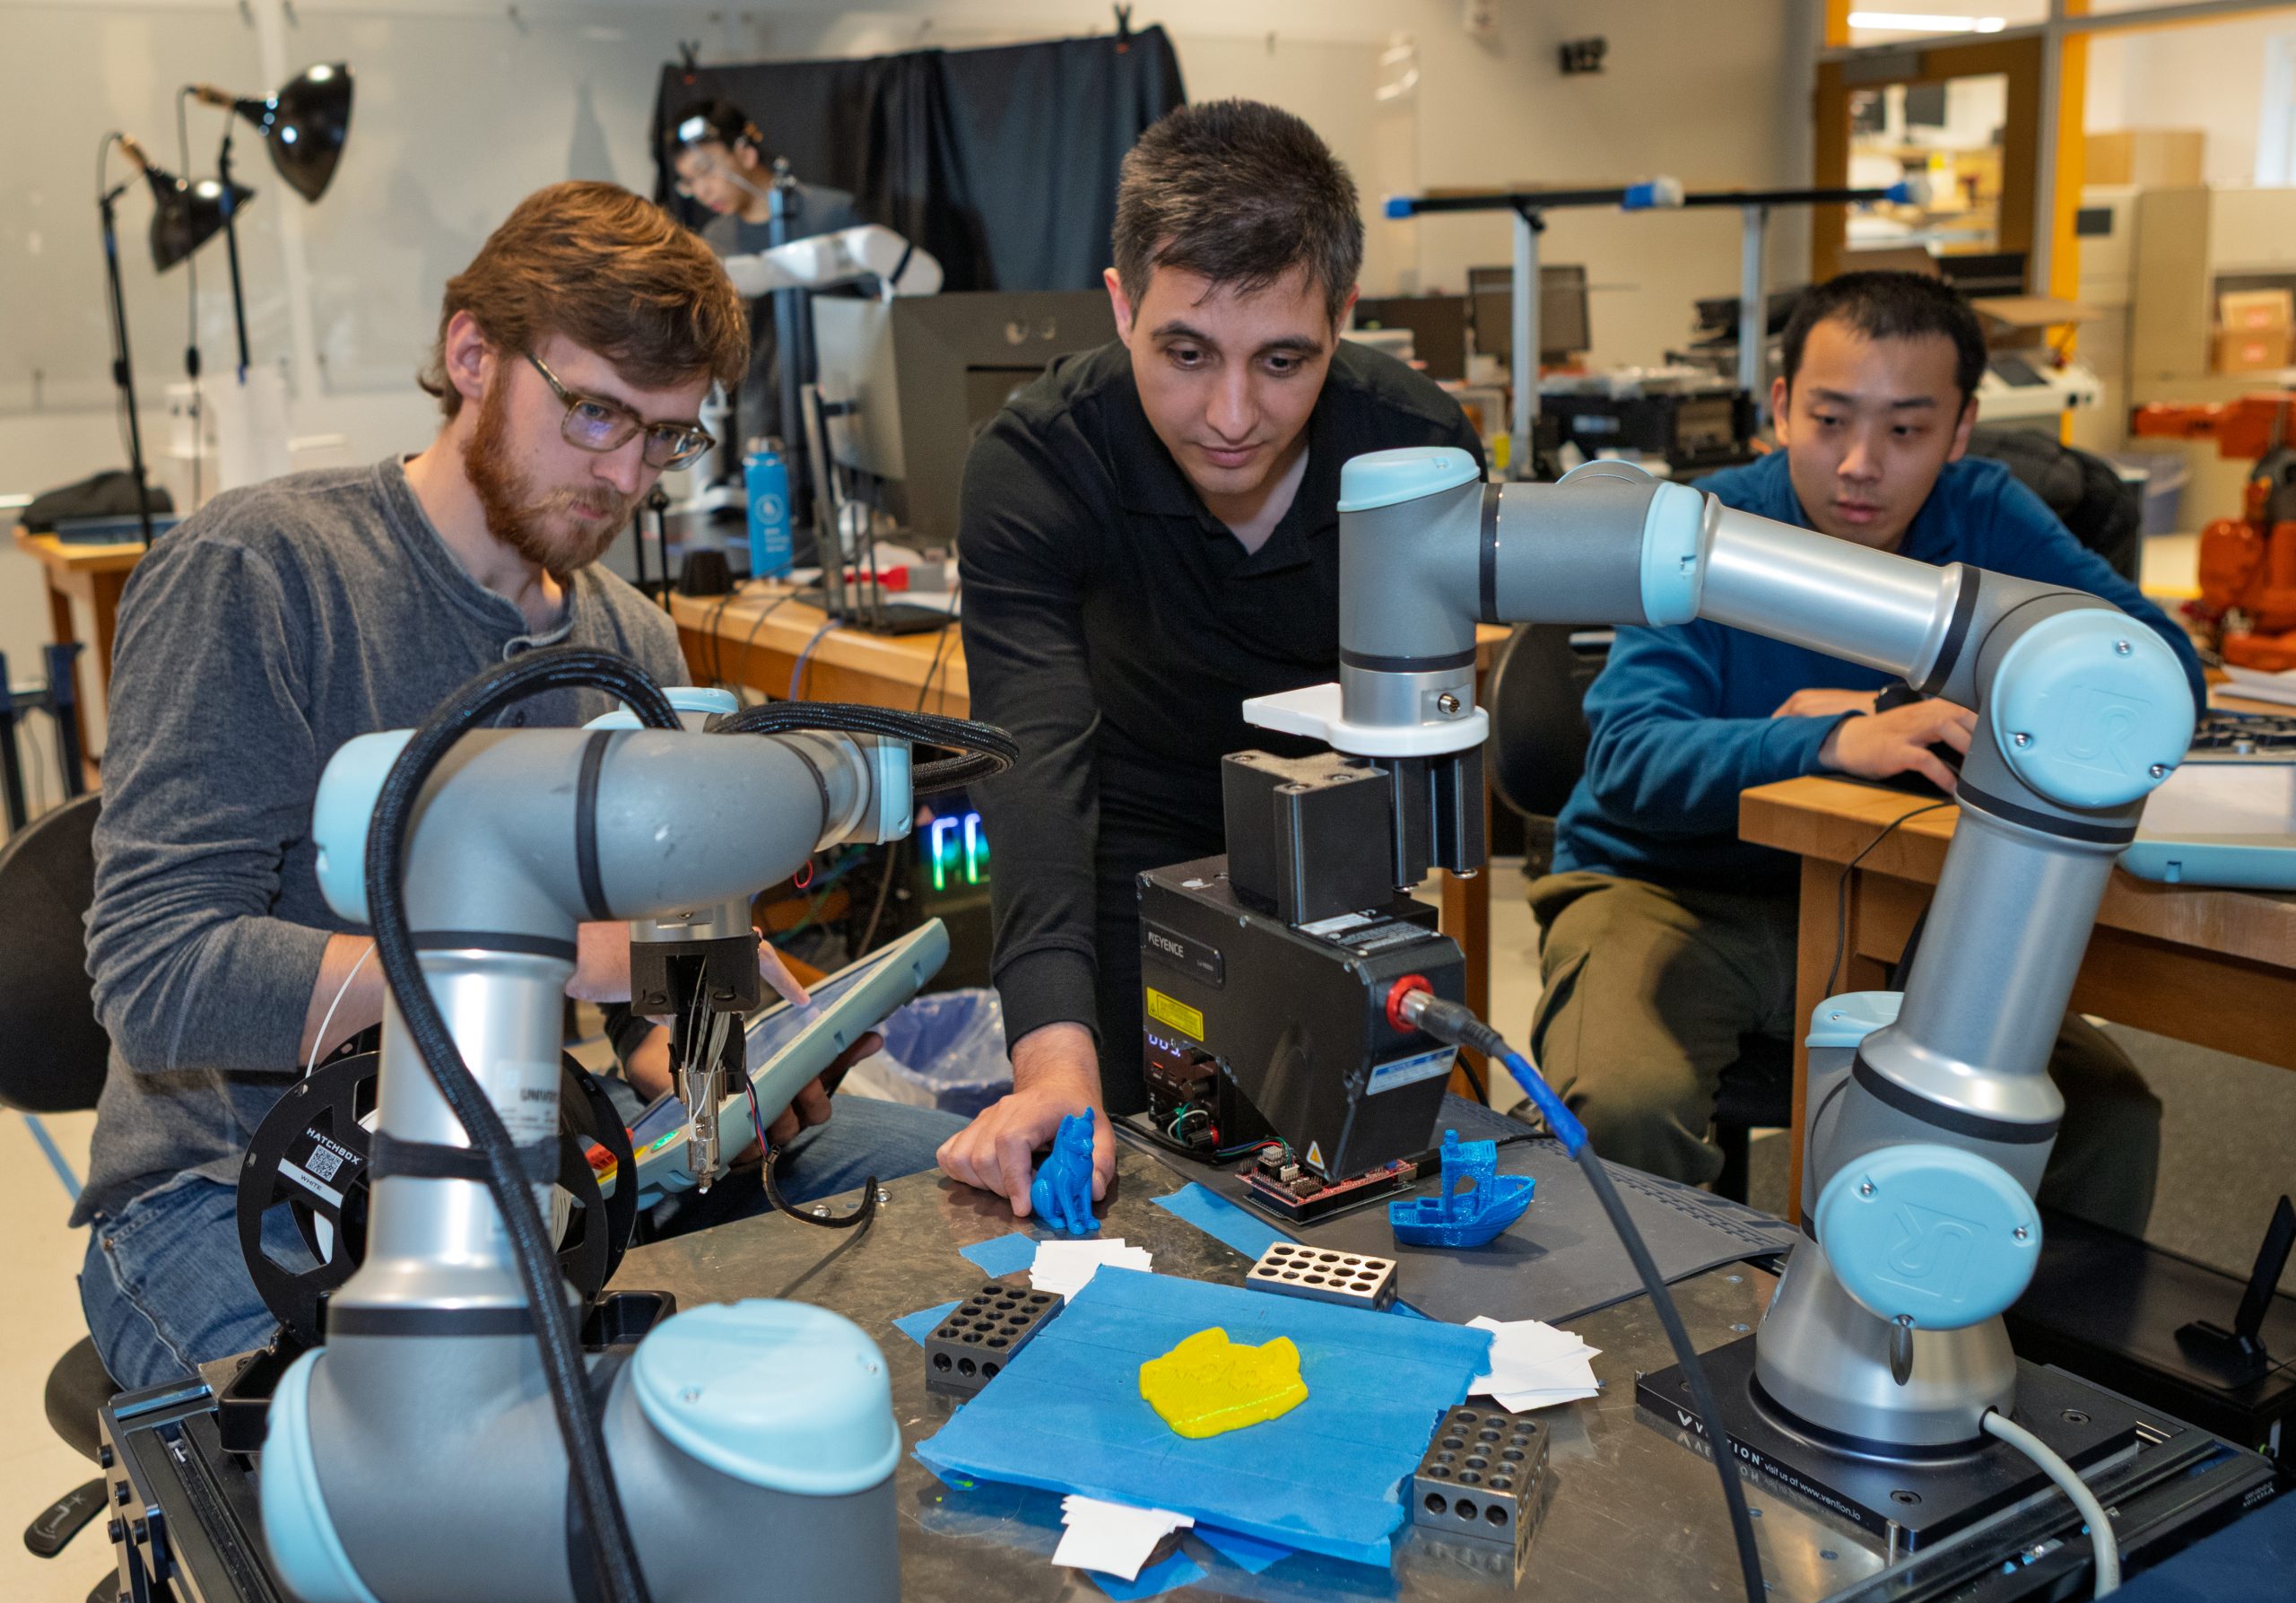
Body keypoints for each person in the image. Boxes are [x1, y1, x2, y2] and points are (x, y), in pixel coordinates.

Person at [76, 181, 956, 1390]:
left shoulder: (630, 647)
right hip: (236, 1197)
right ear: (471, 353)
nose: (626, 473)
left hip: (540, 1165)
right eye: (596, 413)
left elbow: (658, 990)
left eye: (665, 436)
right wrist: (565, 957)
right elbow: (158, 978)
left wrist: (716, 1067)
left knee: (957, 1198)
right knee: (418, 1482)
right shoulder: (262, 575)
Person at [1526, 270, 2206, 1231]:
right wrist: (1836, 740)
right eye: (1830, 419)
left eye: (1904, 430)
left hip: (1907, 903)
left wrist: (1889, 704)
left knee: (2103, 1122)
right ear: (1778, 408)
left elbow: (2159, 668)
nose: (1859, 463)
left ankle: (2024, 1371)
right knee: (1625, 1109)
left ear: (1961, 430)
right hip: (1672, 889)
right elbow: (1632, 761)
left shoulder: (1984, 514)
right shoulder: (1700, 527)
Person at [941, 100, 1483, 1216]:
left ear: (1344, 315)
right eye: (1184, 353)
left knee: (1363, 1189)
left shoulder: (1413, 452)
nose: (1231, 415)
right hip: (1121, 858)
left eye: (1284, 359)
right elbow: (1035, 773)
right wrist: (1052, 1060)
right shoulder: (1036, 467)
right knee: (1142, 1192)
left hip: (1338, 857)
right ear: (1120, 303)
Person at [666, 100, 865, 488]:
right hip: (761, 422)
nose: (701, 190)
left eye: (706, 171)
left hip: (844, 417)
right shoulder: (715, 242)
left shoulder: (830, 216)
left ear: (745, 151)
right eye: (689, 181)